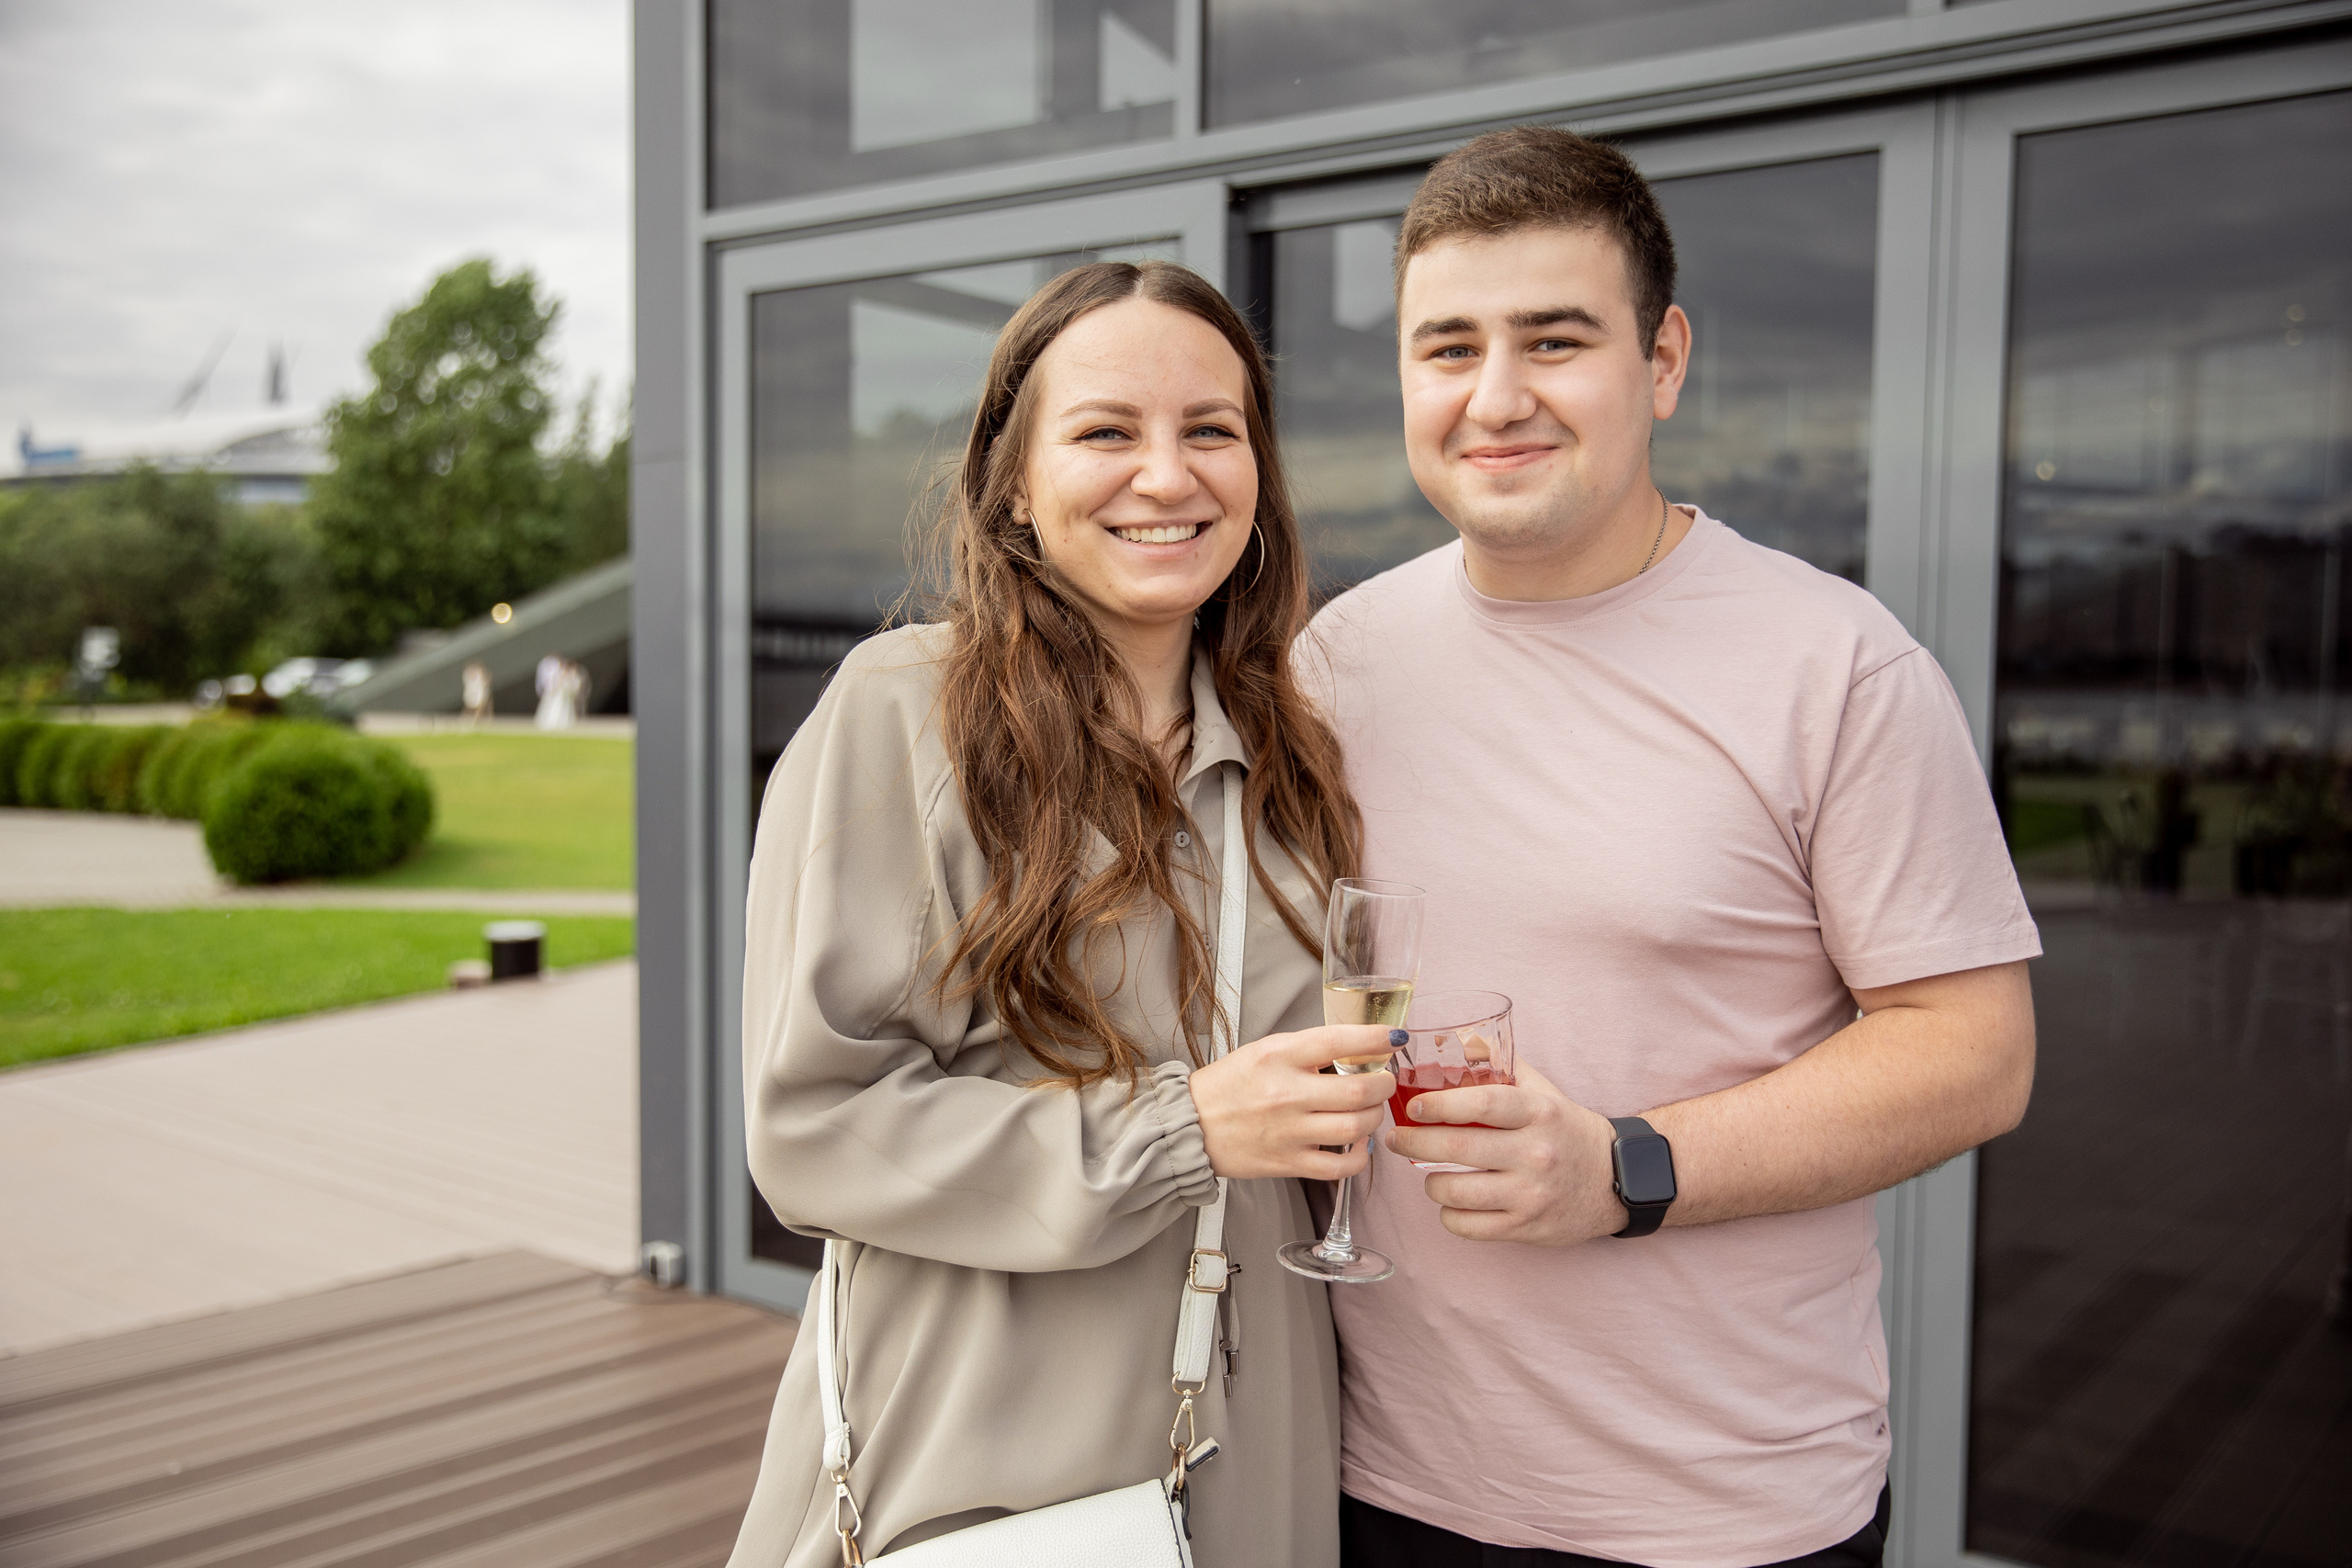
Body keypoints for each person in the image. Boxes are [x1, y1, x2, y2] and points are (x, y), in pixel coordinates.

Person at [1306, 127, 2041, 1568]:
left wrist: (1625, 1166)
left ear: (1662, 361)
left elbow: (1975, 1052)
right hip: (1380, 1481)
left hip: (1722, 1511)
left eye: (1555, 340)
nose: (1495, 396)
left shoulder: (1836, 665)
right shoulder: (1337, 663)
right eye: (1448, 348)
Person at [726, 260, 1396, 1568]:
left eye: (1211, 430)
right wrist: (1184, 1129)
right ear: (1015, 485)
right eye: (1105, 432)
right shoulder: (903, 712)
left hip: (1255, 1440)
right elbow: (813, 1128)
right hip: (985, 1454)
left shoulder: (1291, 754)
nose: (1168, 475)